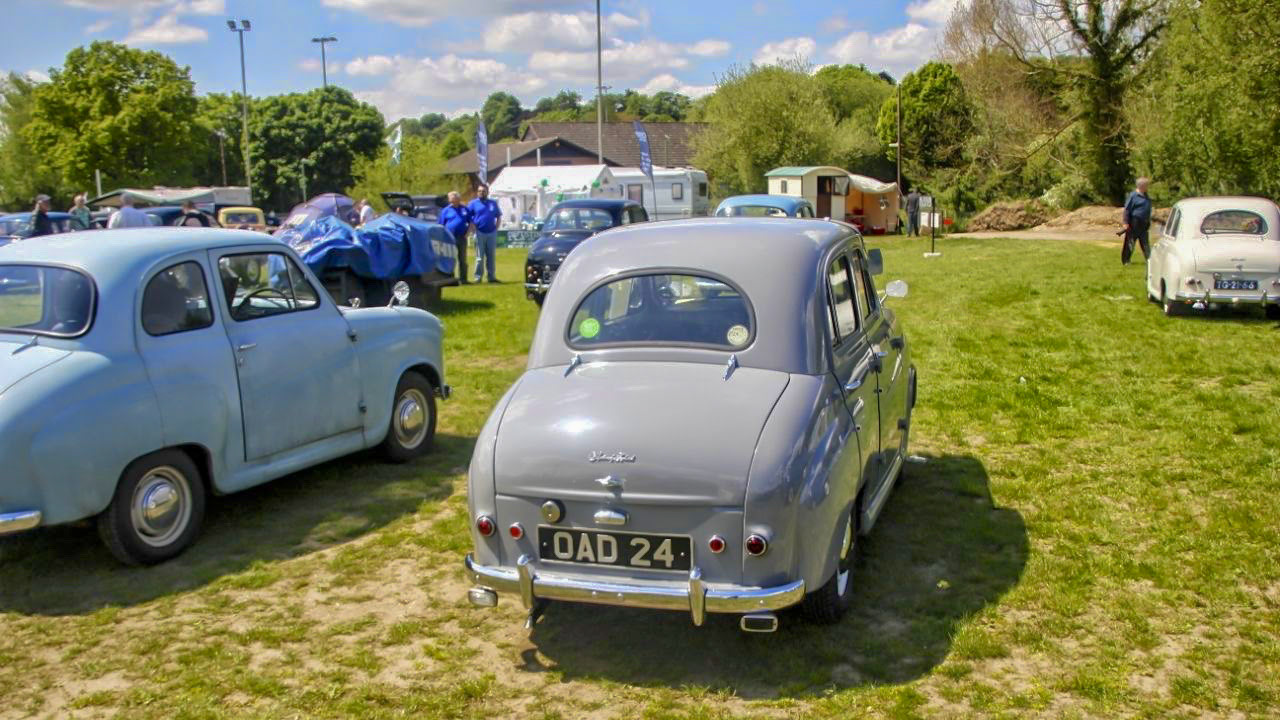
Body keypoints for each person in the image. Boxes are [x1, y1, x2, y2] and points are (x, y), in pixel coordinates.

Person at [467, 184, 501, 283]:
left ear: (487, 192)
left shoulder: (493, 203)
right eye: (479, 191)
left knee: (491, 256)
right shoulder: (473, 203)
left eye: (483, 191)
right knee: (479, 258)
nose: (481, 193)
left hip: (491, 233)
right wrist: (473, 229)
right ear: (477, 192)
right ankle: (478, 278)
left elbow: (498, 216)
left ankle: (491, 277)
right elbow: (468, 218)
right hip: (479, 233)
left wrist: (496, 228)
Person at [438, 191, 471, 284]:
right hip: (449, 238)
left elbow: (471, 222)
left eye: (454, 198)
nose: (452, 200)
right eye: (450, 199)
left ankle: (463, 279)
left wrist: (467, 234)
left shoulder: (464, 209)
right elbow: (441, 225)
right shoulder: (446, 210)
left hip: (461, 237)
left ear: (458, 199)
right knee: (450, 259)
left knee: (462, 260)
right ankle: (450, 279)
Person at [1122, 177, 1153, 265]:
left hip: (1144, 223)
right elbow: (1127, 210)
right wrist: (1125, 222)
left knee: (1145, 242)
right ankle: (1126, 260)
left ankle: (1149, 260)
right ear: (1141, 186)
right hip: (1135, 222)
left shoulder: (1146, 195)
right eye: (1147, 185)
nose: (1148, 187)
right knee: (1130, 242)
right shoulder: (1133, 196)